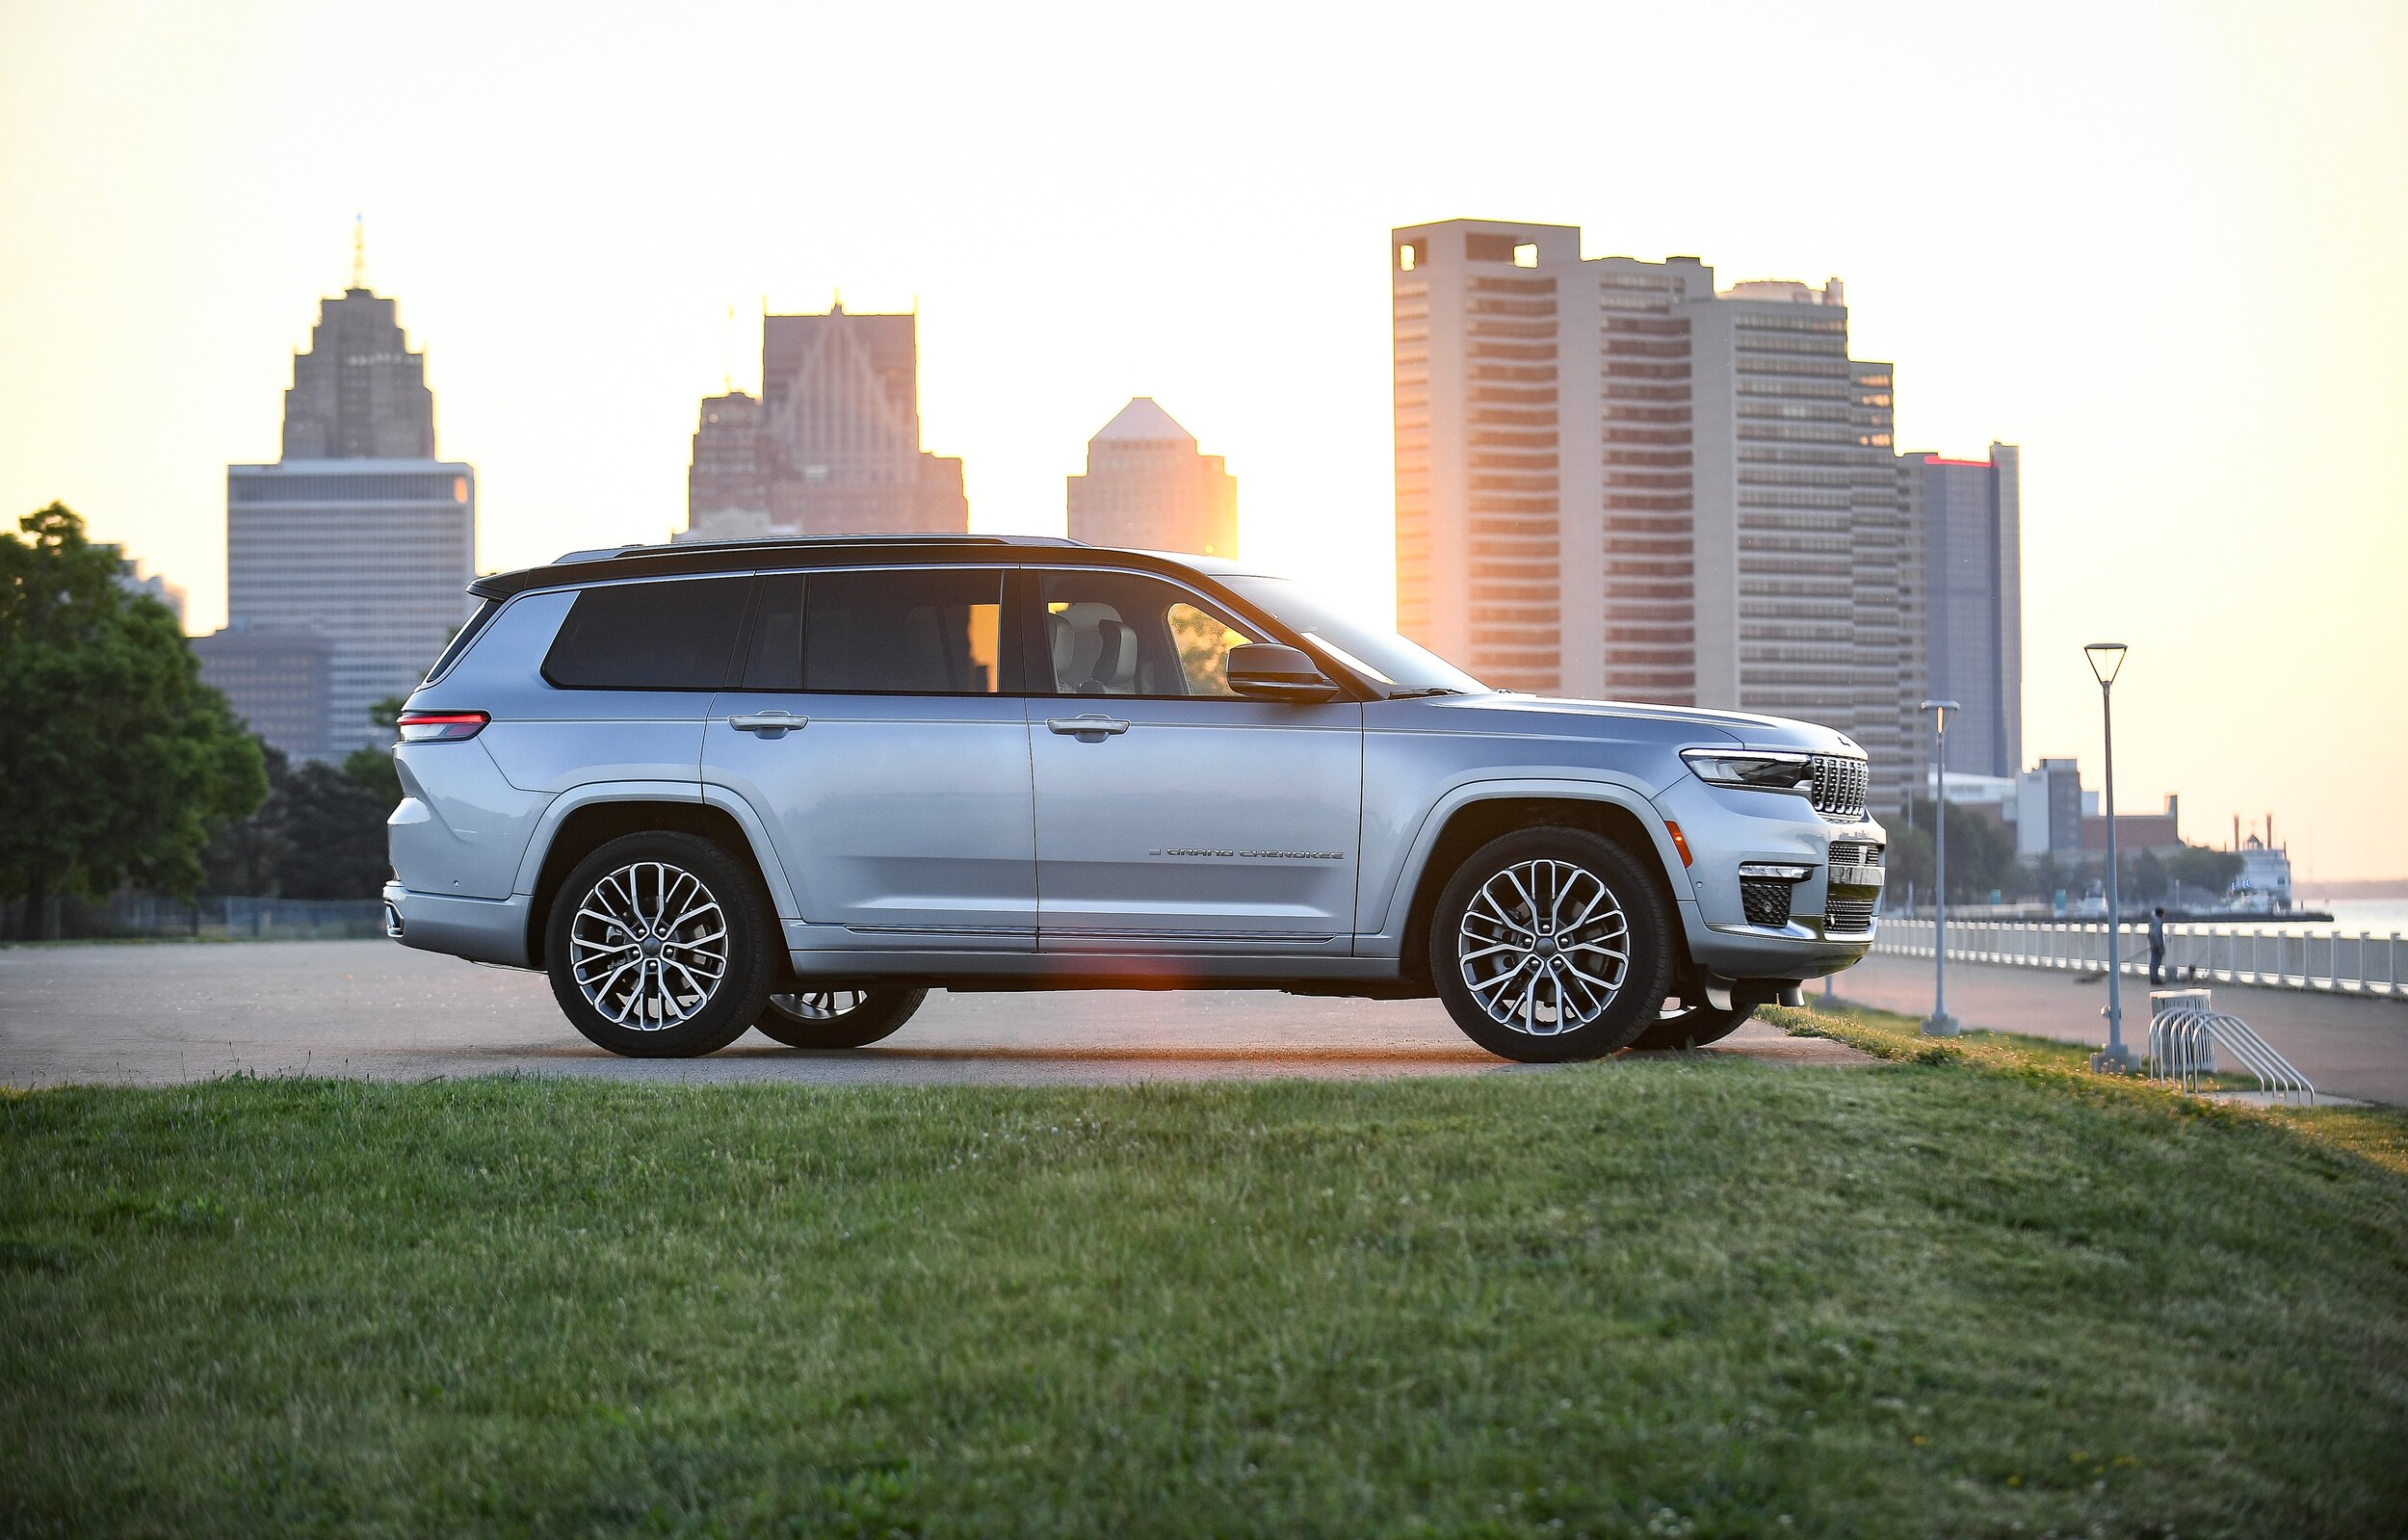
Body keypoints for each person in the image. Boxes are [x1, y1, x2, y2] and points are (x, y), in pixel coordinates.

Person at [2148, 905, 2167, 985]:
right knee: (2156, 962)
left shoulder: (2153, 921)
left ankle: (2153, 978)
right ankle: (2155, 979)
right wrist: (2159, 945)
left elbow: (2150, 934)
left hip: (2153, 945)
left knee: (2153, 962)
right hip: (2157, 946)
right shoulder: (2158, 922)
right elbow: (2155, 934)